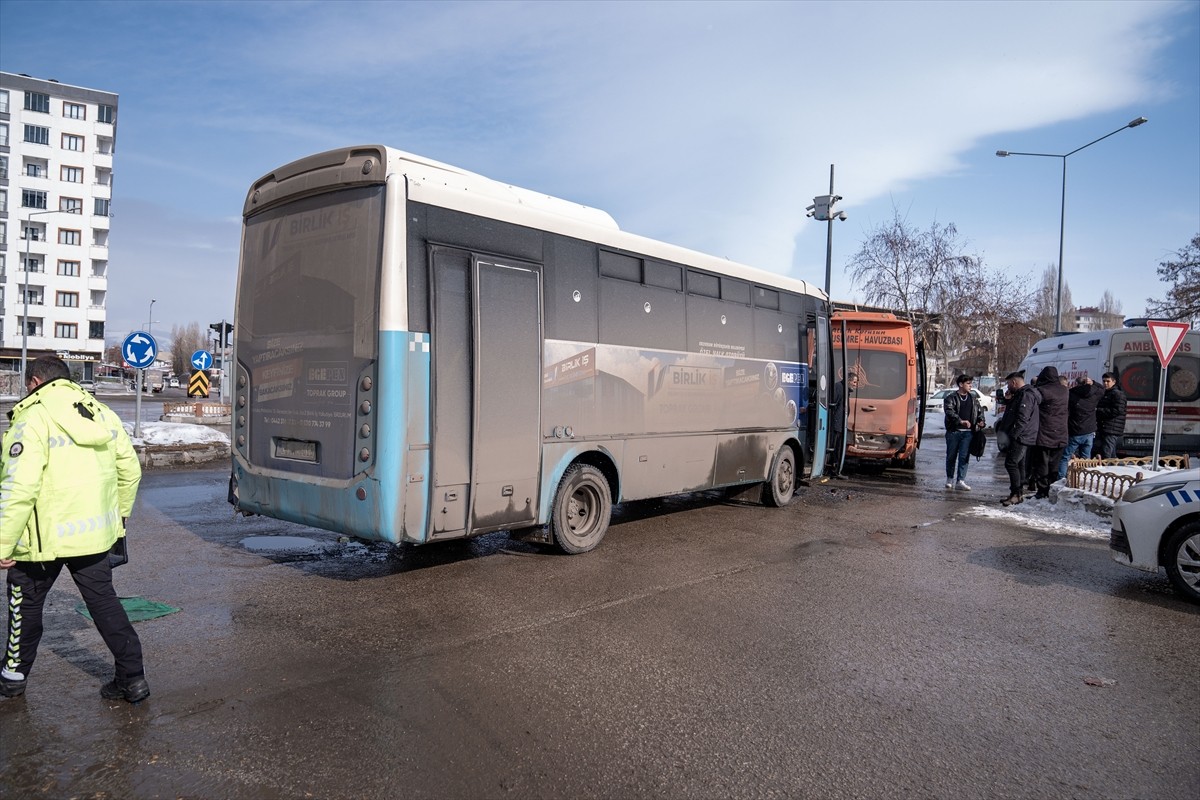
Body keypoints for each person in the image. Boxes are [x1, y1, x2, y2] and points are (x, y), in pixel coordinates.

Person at [0, 356, 147, 703]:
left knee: (26, 605)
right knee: (104, 603)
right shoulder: (102, 413)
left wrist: (4, 542)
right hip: (93, 533)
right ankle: (133, 678)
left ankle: (13, 679)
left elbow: (18, 487)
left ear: (35, 382)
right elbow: (131, 471)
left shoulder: (31, 418)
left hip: (41, 540)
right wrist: (119, 518)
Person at [995, 370, 1040, 506]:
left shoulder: (1026, 395)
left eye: (1008, 384)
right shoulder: (1021, 394)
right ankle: (1017, 494)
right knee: (1019, 464)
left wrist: (1014, 435)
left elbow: (1022, 418)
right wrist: (1009, 401)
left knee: (1011, 463)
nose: (1008, 387)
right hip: (1023, 435)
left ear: (1014, 382)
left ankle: (1016, 494)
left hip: (1022, 436)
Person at [1029, 365, 1068, 499]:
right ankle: (1053, 488)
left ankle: (1043, 490)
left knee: (1042, 464)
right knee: (1055, 464)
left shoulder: (1041, 391)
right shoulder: (1064, 390)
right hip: (1061, 433)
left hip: (1044, 432)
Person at [943, 374, 985, 491]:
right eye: (968, 383)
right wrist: (960, 421)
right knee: (951, 456)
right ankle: (949, 478)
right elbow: (949, 412)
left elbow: (980, 412)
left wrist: (981, 421)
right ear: (961, 384)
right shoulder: (951, 398)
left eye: (971, 383)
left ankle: (960, 480)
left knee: (964, 456)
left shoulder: (973, 399)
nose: (970, 385)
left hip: (968, 433)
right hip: (954, 432)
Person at [1058, 376, 1105, 480]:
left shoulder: (1071, 394)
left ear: (1077, 384)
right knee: (1086, 457)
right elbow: (1102, 389)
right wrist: (1093, 382)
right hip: (1089, 430)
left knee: (1065, 457)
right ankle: (1084, 478)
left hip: (1075, 430)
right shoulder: (1095, 394)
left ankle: (1062, 478)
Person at [828, 371, 858, 479]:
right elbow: (832, 405)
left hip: (840, 424)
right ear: (849, 381)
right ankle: (833, 471)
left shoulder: (845, 390)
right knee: (835, 448)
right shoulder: (838, 388)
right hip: (836, 425)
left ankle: (835, 470)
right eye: (854, 382)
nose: (856, 384)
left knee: (839, 448)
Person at [1093, 372, 1128, 460]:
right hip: (1105, 427)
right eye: (1104, 381)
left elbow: (1117, 410)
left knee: (1107, 453)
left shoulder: (1117, 394)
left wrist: (1099, 410)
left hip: (1111, 427)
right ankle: (1111, 468)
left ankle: (1108, 469)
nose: (1105, 383)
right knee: (1109, 453)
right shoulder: (1107, 393)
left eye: (1108, 381)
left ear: (1114, 382)